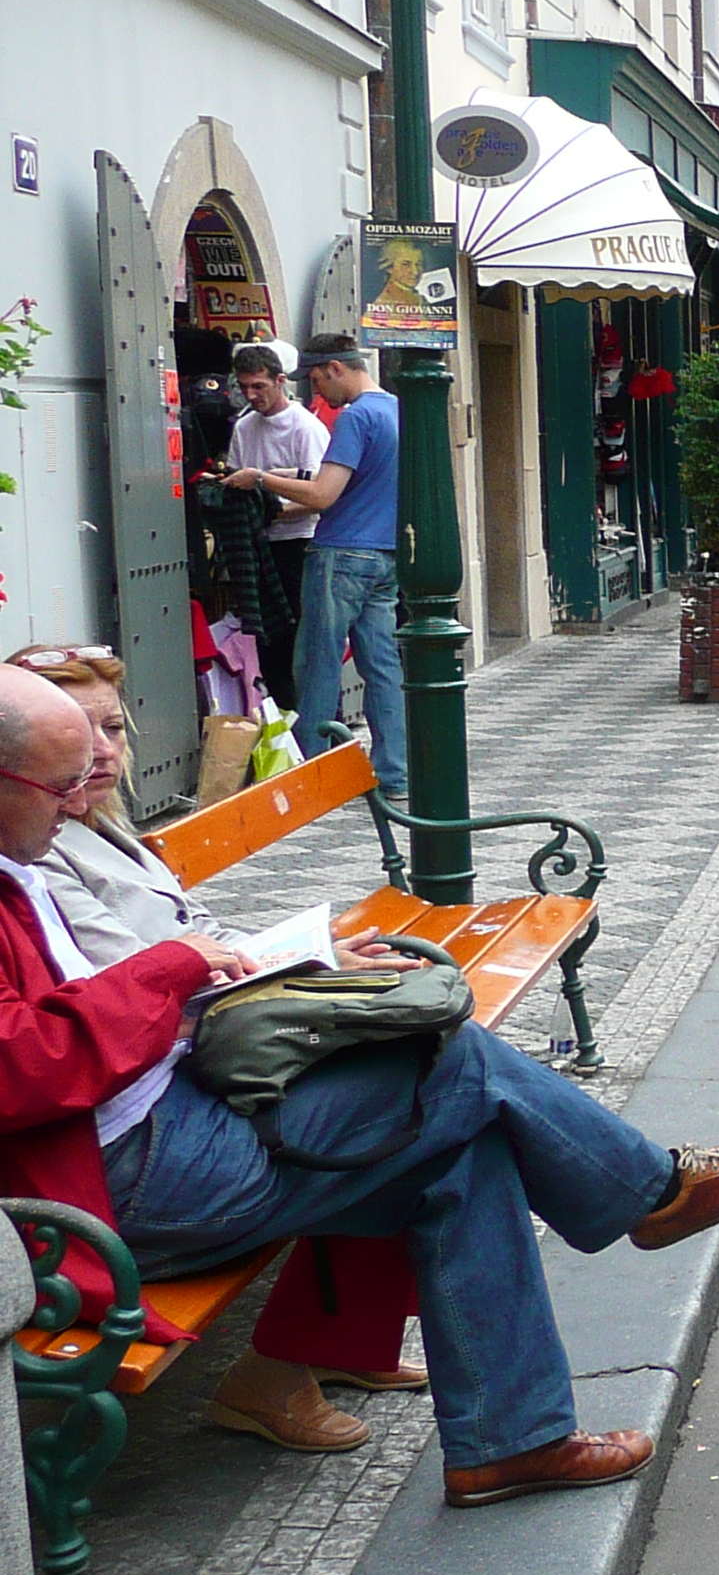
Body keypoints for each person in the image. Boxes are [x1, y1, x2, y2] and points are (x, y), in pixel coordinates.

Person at [0, 665, 719, 1508]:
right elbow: (21, 1065)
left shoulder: (24, 850)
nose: (73, 801)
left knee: (462, 1147)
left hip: (161, 1125)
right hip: (111, 1185)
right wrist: (172, 971)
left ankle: (510, 1443)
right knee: (449, 1061)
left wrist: (208, 971)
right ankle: (650, 1192)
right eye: (55, 784)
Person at [15, 644, 423, 1454]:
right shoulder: (35, 857)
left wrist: (311, 956)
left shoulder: (97, 832)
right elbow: (113, 994)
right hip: (131, 1131)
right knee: (427, 1100)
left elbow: (185, 946)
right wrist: (239, 967)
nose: (100, 758)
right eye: (73, 751)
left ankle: (328, 1364)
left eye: (111, 730)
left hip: (170, 1069)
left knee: (425, 1078)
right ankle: (638, 1194)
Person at [222, 337, 403, 797]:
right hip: (384, 554)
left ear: (337, 368)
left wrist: (260, 479)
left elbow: (323, 495)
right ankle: (394, 775)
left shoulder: (356, 417)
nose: (319, 393)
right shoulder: (398, 411)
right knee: (381, 667)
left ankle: (313, 781)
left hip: (340, 552)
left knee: (316, 666)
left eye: (319, 380)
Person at [224, 344, 327, 713]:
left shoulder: (305, 427)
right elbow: (235, 480)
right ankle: (288, 724)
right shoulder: (244, 426)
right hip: (259, 547)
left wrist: (269, 508)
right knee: (269, 644)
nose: (252, 396)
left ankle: (319, 728)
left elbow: (319, 494)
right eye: (244, 387)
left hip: (299, 545)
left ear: (280, 381)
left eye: (259, 387)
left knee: (302, 643)